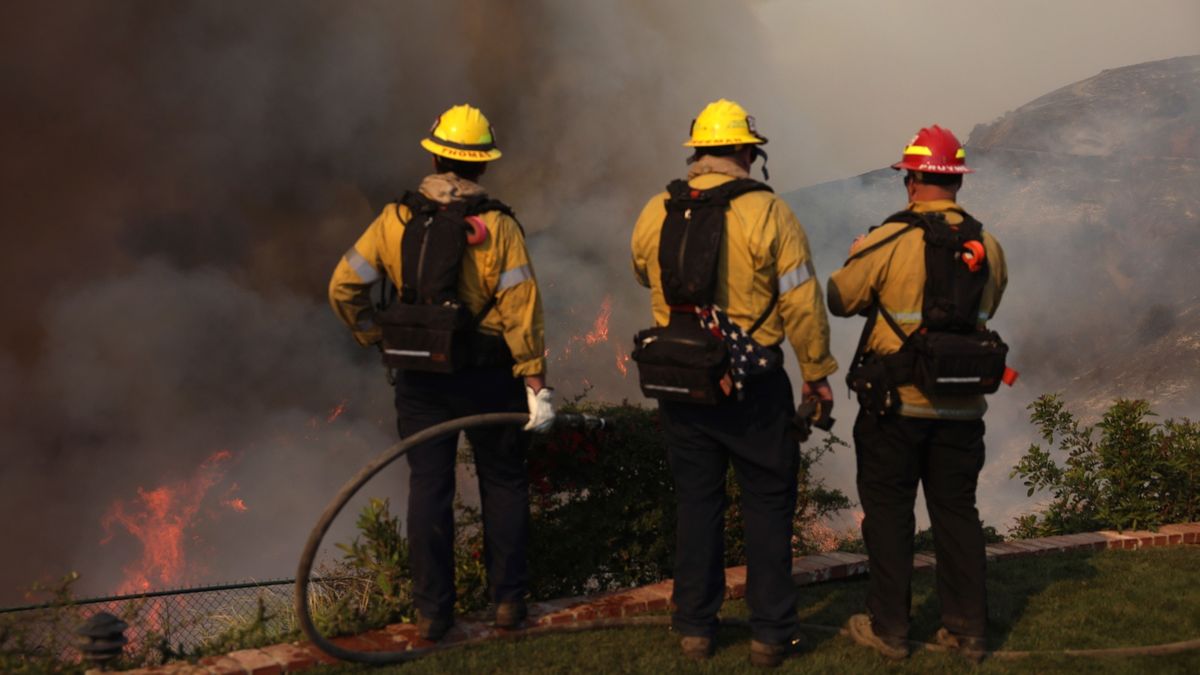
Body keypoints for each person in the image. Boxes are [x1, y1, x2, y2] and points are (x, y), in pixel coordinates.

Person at [329, 104, 554, 641]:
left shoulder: (396, 219)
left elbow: (343, 286)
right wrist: (535, 381)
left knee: (429, 486)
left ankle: (432, 613)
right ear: (482, 166)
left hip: (420, 376)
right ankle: (508, 605)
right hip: (486, 373)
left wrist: (374, 335)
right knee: (502, 481)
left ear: (433, 154)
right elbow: (522, 307)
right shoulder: (497, 226)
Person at [630, 99, 838, 667]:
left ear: (697, 152)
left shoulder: (658, 208)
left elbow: (641, 268)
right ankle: (771, 635)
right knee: (768, 505)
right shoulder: (769, 212)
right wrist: (817, 375)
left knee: (697, 503)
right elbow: (801, 302)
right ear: (749, 151)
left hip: (681, 381)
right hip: (754, 384)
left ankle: (695, 627)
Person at [827, 125, 1008, 663]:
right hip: (962, 406)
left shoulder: (889, 238)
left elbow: (839, 299)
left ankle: (890, 630)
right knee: (957, 513)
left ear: (911, 180)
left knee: (888, 516)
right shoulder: (987, 245)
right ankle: (969, 631)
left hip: (895, 407)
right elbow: (989, 309)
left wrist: (859, 253)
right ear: (955, 182)